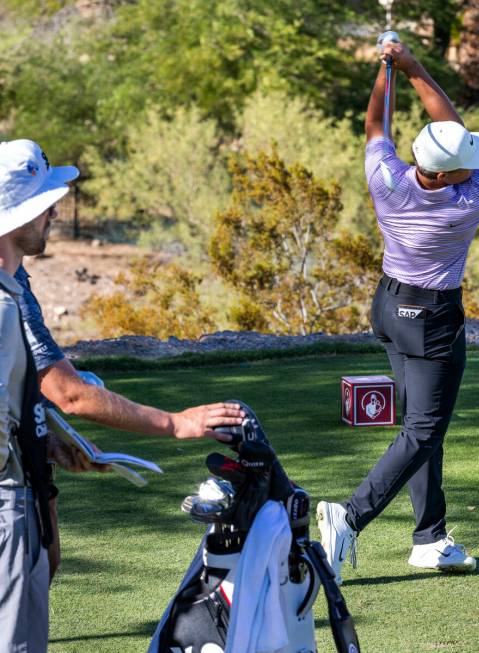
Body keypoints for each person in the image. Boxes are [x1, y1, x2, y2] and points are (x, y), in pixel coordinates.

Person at [0, 139, 243, 651]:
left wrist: (41, 436)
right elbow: (70, 394)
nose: (54, 212)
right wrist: (175, 424)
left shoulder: (14, 280)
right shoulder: (6, 299)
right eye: (43, 203)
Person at [317, 37, 479, 582]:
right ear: (443, 175)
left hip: (390, 309)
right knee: (423, 428)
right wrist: (413, 67)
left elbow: (376, 129)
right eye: (463, 163)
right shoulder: (468, 203)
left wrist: (387, 72)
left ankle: (430, 537)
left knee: (425, 426)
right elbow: (453, 124)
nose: (473, 166)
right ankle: (348, 515)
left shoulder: (387, 179)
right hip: (434, 321)